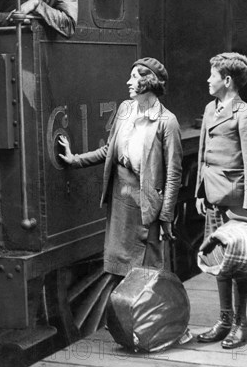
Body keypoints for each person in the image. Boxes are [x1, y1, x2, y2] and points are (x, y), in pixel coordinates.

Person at [59, 57, 183, 277]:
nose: (128, 82)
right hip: (121, 197)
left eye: (134, 77)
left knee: (145, 271)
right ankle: (122, 308)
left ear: (150, 82)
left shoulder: (167, 121)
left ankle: (144, 310)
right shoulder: (125, 109)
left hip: (145, 202)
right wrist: (75, 159)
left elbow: (173, 175)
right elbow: (110, 150)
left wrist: (165, 217)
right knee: (118, 268)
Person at [195, 52, 247, 349]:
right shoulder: (211, 109)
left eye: (212, 75)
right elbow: (202, 152)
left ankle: (241, 325)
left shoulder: (245, 114)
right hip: (212, 197)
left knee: (237, 262)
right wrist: (199, 191)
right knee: (218, 259)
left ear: (226, 80)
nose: (207, 80)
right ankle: (224, 320)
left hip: (235, 199)